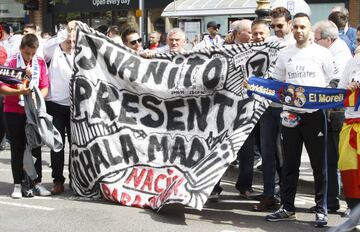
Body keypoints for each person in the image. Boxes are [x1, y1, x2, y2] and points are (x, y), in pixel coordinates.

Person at [265, 13, 338, 227]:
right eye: (295, 27)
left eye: (302, 27)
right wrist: (253, 84)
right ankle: (287, 207)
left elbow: (334, 79)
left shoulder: (322, 53)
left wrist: (328, 95)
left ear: (309, 29)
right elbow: (275, 82)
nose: (298, 31)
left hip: (315, 116)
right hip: (290, 115)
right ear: (291, 27)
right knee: (290, 164)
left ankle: (321, 209)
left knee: (319, 166)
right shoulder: (284, 53)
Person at [253, 6, 294, 212]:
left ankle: (284, 196)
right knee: (267, 152)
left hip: (288, 107)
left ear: (289, 24)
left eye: (280, 25)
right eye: (274, 26)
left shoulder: (296, 45)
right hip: (267, 105)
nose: (277, 29)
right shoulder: (268, 43)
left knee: (286, 155)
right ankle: (269, 194)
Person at [312, 20, 352, 214]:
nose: (314, 43)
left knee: (341, 160)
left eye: (316, 39)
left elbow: (335, 85)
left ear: (327, 39)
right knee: (330, 159)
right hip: (331, 112)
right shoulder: (332, 51)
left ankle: (348, 203)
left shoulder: (341, 54)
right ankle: (331, 200)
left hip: (338, 114)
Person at [4, 34, 50, 198]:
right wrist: (19, 91)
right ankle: (17, 184)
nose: (30, 57)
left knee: (35, 146)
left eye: (33, 53)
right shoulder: (11, 63)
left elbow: (45, 86)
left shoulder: (40, 62)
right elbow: (2, 87)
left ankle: (37, 183)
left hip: (33, 110)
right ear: (21, 49)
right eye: (27, 53)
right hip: (13, 110)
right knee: (17, 148)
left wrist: (38, 97)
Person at [43, 21, 76, 194]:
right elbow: (46, 45)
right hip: (55, 105)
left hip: (75, 107)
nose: (71, 44)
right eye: (68, 41)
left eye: (73, 41)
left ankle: (75, 179)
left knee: (75, 145)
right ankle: (58, 180)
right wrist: (67, 30)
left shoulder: (79, 54)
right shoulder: (53, 51)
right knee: (57, 145)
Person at [337, 24, 360, 223]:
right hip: (351, 124)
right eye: (359, 40)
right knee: (350, 172)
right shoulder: (352, 61)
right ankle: (354, 215)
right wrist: (348, 88)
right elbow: (340, 90)